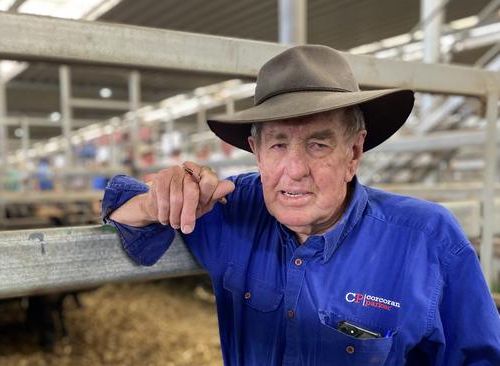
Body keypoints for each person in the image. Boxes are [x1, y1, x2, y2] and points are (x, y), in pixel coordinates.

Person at [101, 45, 500, 365]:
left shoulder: (428, 241)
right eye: (277, 144)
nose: (294, 170)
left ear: (354, 152)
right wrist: (161, 199)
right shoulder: (228, 208)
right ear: (256, 153)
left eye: (318, 144)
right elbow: (124, 214)